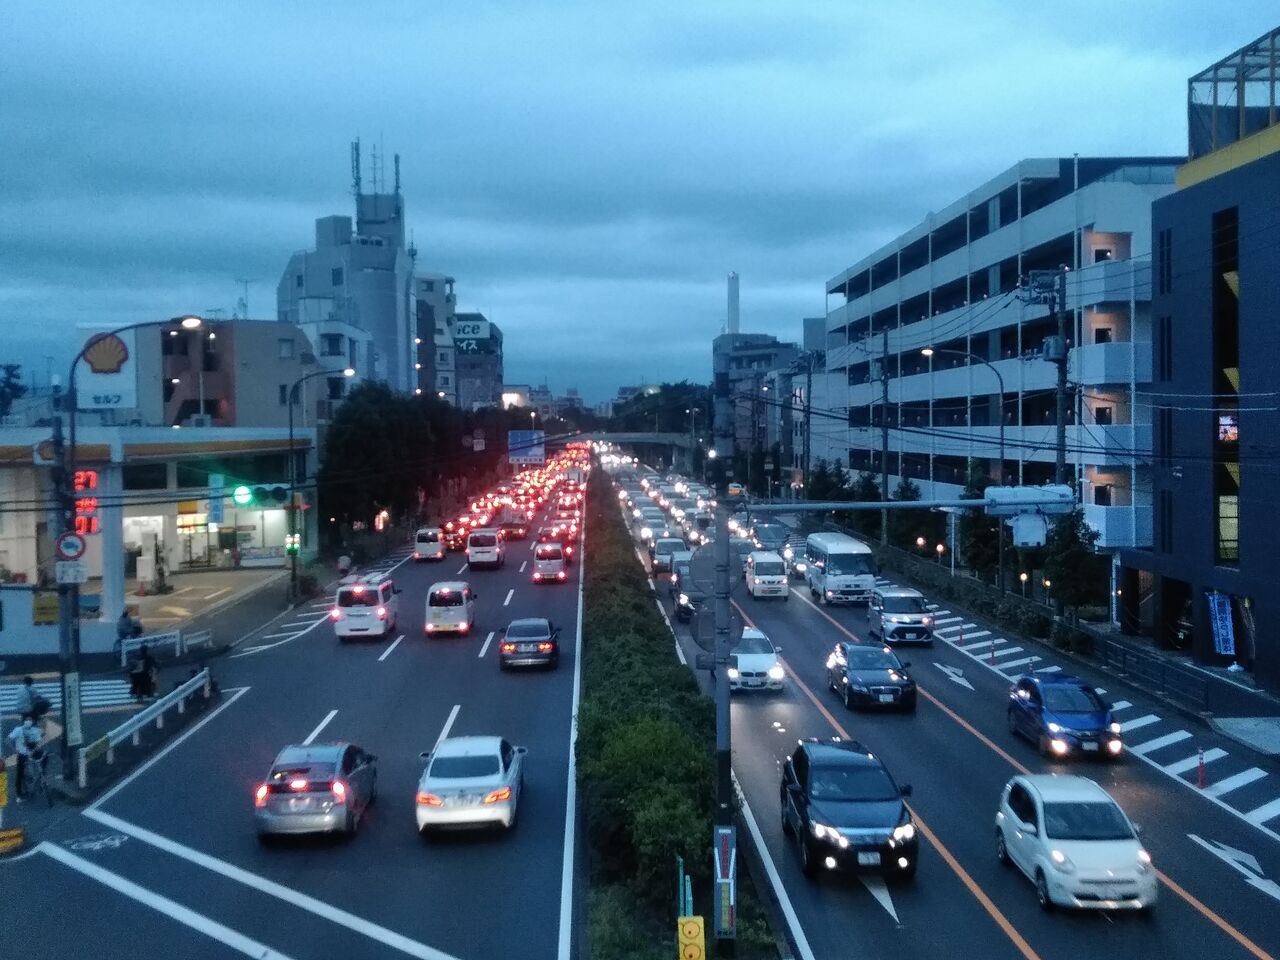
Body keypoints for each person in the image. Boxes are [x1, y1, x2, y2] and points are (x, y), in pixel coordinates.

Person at [7, 715, 42, 801]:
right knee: (19, 774)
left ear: (32, 722)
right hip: (22, 755)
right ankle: (19, 793)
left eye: (30, 720)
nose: (28, 721)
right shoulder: (18, 730)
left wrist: (35, 750)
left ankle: (38, 784)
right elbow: (8, 740)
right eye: (27, 720)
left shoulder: (36, 730)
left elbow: (38, 743)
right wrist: (14, 750)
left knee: (40, 767)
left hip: (32, 754)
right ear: (24, 721)